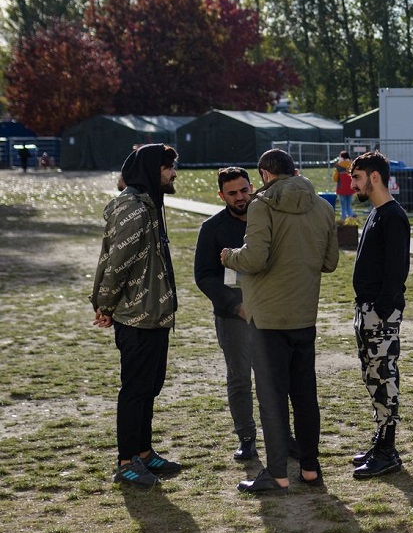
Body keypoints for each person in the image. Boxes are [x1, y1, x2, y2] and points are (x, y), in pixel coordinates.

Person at [221, 149, 339, 493]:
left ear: (265, 175)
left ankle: (277, 473)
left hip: (269, 317)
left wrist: (230, 257)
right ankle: (310, 467)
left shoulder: (262, 205)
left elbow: (255, 258)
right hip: (305, 314)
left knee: (272, 397)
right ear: (294, 171)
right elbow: (330, 262)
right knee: (305, 395)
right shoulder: (324, 207)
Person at [91, 143, 181, 488]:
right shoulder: (133, 208)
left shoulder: (149, 204)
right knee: (135, 390)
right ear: (152, 169)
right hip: (137, 317)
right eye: (168, 167)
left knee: (149, 387)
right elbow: (117, 264)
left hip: (155, 315)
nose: (173, 174)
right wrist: (105, 305)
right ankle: (126, 461)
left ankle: (144, 453)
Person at [348, 150, 411, 479]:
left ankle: (388, 451)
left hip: (379, 313)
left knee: (384, 378)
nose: (351, 183)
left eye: (356, 177)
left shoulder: (392, 216)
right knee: (373, 378)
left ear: (374, 177)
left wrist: (382, 311)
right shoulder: (376, 213)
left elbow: (396, 271)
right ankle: (381, 441)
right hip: (367, 310)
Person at [193, 167, 259, 462]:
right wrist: (235, 306)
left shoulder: (266, 219)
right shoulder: (212, 228)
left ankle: (283, 434)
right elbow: (204, 276)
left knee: (274, 378)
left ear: (252, 187)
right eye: (232, 193)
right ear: (221, 195)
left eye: (244, 190)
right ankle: (246, 437)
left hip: (269, 312)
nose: (240, 197)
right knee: (240, 378)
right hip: (232, 316)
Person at [335, 150, 356, 221]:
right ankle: (351, 221)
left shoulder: (338, 166)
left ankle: (343, 221)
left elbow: (335, 178)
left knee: (343, 207)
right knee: (349, 206)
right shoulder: (352, 165)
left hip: (341, 189)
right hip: (350, 188)